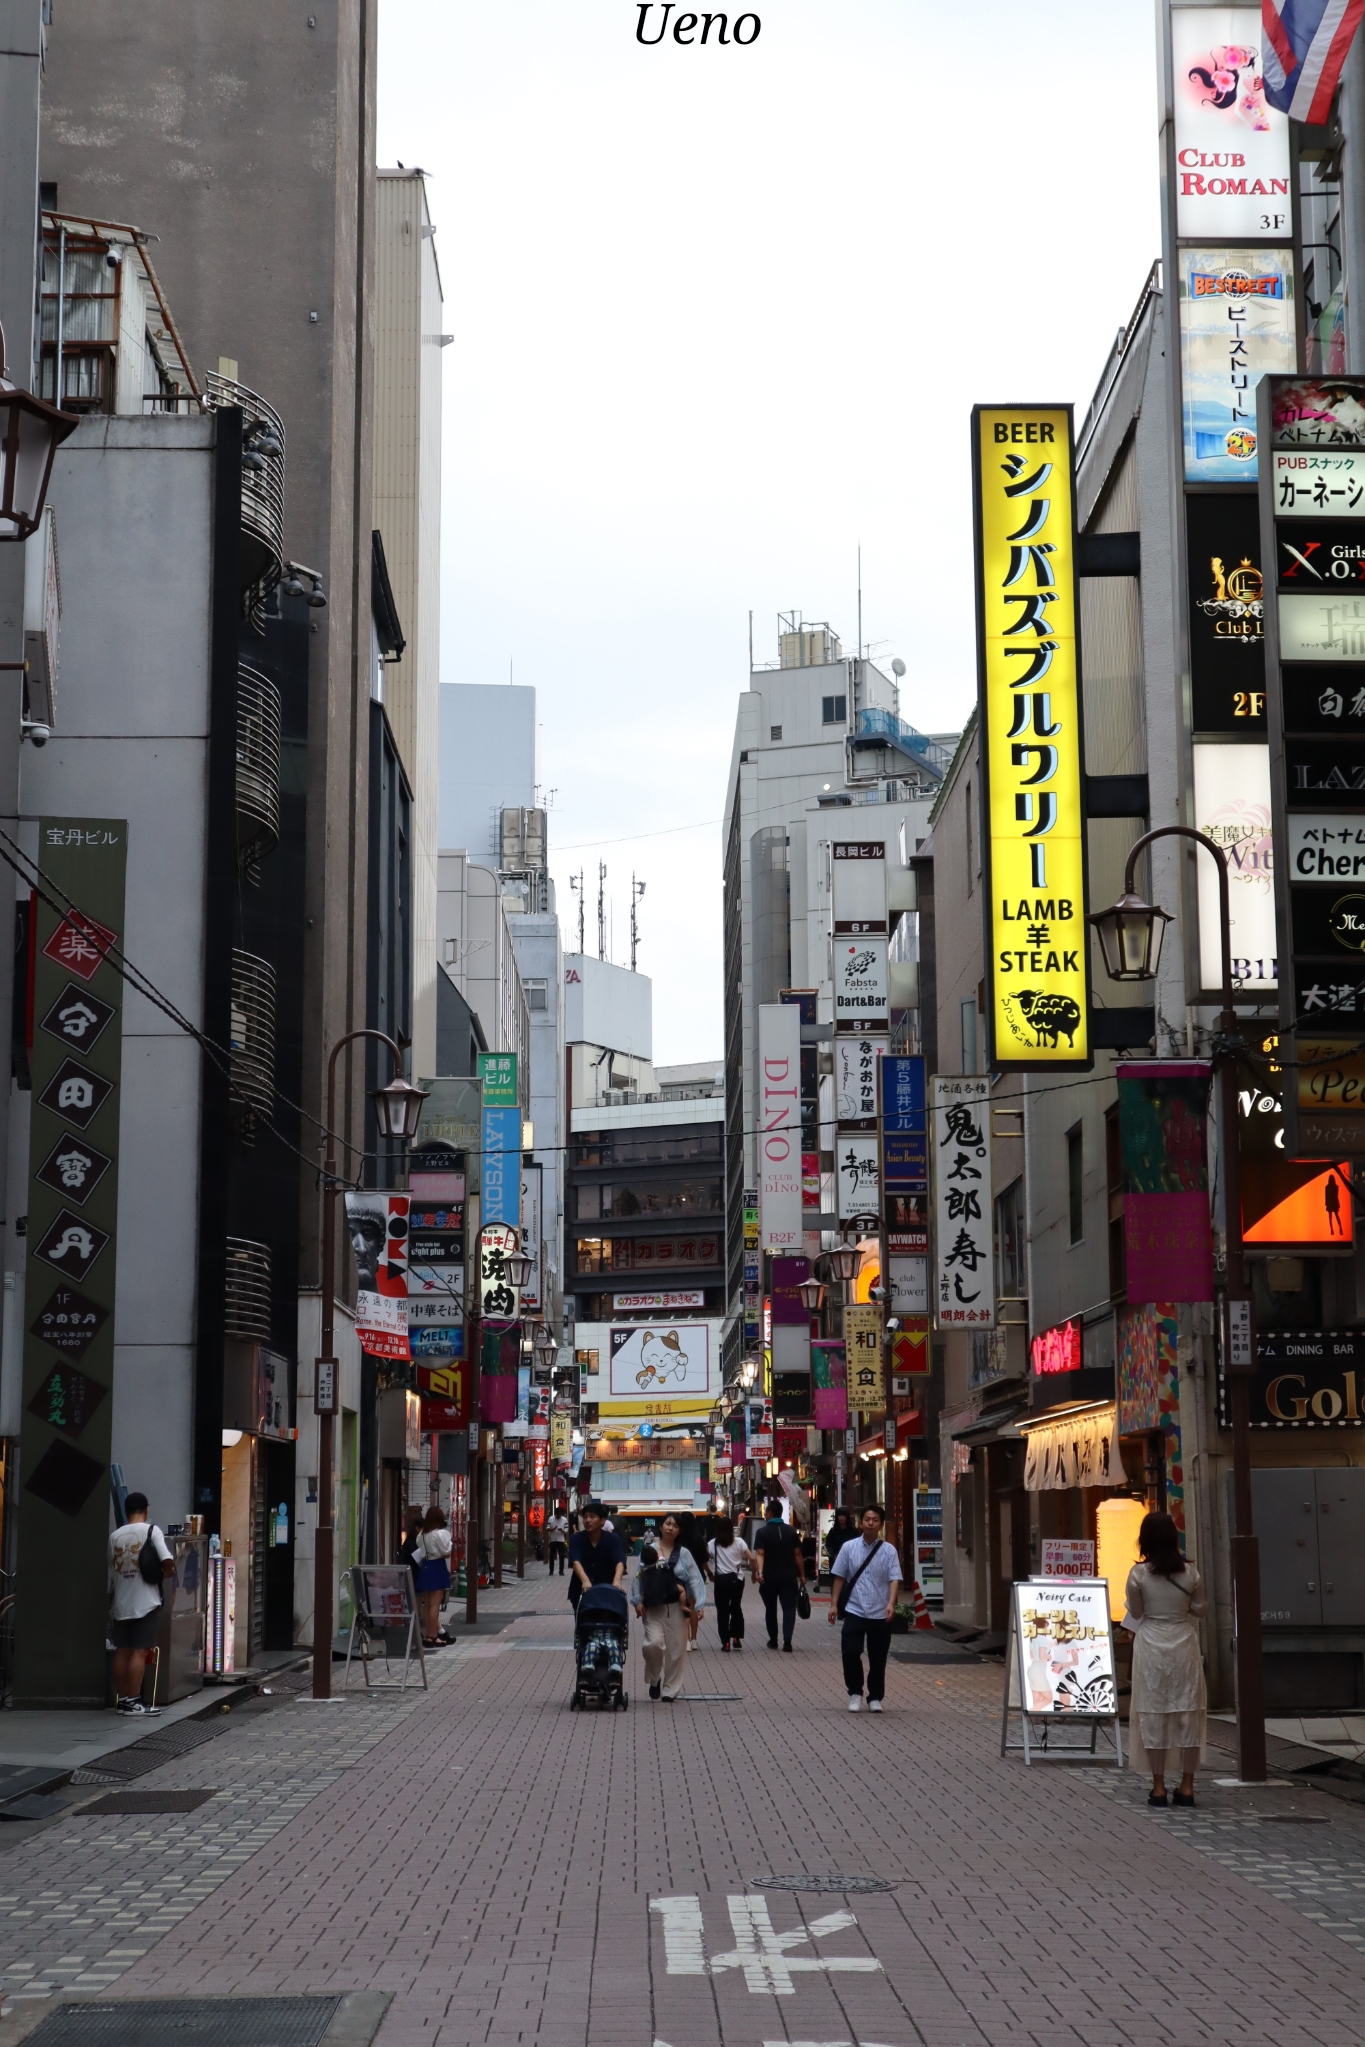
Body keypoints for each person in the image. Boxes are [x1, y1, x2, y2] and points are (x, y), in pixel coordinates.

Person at [1123, 1509, 1208, 1807]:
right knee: (1188, 1712)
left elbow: (1136, 1612)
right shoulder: (1191, 1573)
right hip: (1183, 1642)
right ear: (1174, 1538)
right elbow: (1200, 1609)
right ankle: (1187, 1786)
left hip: (1151, 1645)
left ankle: (1158, 1788)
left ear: (1145, 1540)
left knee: (1153, 1711)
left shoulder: (1138, 1574)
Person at [828, 1502, 902, 1711]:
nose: (870, 1523)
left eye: (875, 1520)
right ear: (860, 1523)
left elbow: (894, 1578)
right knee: (850, 1652)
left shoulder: (889, 1551)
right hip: (855, 1610)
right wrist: (834, 1605)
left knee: (878, 1658)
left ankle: (875, 1697)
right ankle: (855, 1692)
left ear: (881, 1525)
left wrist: (891, 1603)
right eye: (867, 1519)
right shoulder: (848, 1548)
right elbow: (839, 1577)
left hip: (880, 1612)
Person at [108, 1492, 174, 1714]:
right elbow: (167, 1559)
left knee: (122, 1651)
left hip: (121, 1603)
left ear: (126, 1511)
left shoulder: (115, 1536)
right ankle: (134, 1700)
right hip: (145, 1602)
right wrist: (167, 1573)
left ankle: (122, 1700)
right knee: (139, 1652)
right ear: (146, 1510)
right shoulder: (151, 1530)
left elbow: (112, 1566)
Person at [633, 1511, 706, 1700]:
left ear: (680, 1530)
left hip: (677, 1608)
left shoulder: (684, 1553)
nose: (670, 1528)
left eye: (675, 1526)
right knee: (653, 1644)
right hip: (653, 1607)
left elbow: (694, 1579)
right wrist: (637, 1600)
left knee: (676, 1651)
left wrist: (699, 1603)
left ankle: (670, 1690)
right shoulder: (649, 1550)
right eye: (668, 1524)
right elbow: (638, 1576)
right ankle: (654, 1678)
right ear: (661, 1526)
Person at [753, 1498, 806, 1652]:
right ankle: (787, 1640)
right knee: (789, 1608)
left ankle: (773, 1640)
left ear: (769, 1513)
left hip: (769, 1577)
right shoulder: (791, 1531)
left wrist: (760, 1572)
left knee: (771, 1609)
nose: (765, 1515)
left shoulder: (762, 1532)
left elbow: (760, 1553)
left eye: (765, 1513)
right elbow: (798, 1554)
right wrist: (802, 1575)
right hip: (788, 1576)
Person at [568, 1499, 627, 1609]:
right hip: (581, 1590)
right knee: (583, 1618)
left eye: (592, 1517)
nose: (587, 1520)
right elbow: (575, 1561)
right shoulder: (576, 1538)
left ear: (602, 1521)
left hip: (607, 1590)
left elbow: (619, 1561)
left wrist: (617, 1581)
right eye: (585, 1517)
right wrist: (585, 1581)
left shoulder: (613, 1539)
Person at [707, 1515, 753, 1651]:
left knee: (722, 1611)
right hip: (737, 1580)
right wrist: (755, 1574)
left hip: (721, 1581)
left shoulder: (712, 1543)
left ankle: (725, 1642)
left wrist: (709, 1573)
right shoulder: (739, 1542)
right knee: (736, 1607)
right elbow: (752, 1558)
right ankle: (736, 1637)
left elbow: (704, 1558)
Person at [414, 1505, 453, 1648]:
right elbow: (446, 1553)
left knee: (428, 1605)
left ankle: (429, 1636)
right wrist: (450, 1544)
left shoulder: (421, 1535)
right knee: (435, 1605)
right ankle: (432, 1636)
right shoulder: (440, 1534)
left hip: (425, 1567)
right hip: (437, 1566)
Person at [678, 1510, 710, 1650]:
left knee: (683, 1607)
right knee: (693, 1607)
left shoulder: (677, 1538)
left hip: (680, 1576)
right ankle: (694, 1639)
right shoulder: (698, 1539)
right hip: (696, 1576)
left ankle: (686, 1640)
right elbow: (703, 1561)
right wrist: (709, 1573)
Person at [823, 1506, 856, 1578]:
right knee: (836, 1578)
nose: (841, 1518)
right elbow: (828, 1544)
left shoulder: (853, 1530)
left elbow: (857, 1544)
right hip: (835, 1559)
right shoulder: (833, 1530)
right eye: (840, 1515)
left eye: (844, 1516)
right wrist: (833, 1555)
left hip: (850, 1559)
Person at [546, 1505, 569, 1576]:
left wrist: (562, 1531)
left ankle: (561, 1571)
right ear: (555, 1514)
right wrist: (553, 1529)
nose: (558, 1516)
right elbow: (547, 1528)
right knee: (551, 1556)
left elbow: (566, 1529)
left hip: (561, 1540)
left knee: (561, 1556)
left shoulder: (564, 1519)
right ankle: (551, 1571)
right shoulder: (551, 1519)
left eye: (559, 1515)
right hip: (553, 1539)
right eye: (557, 1515)